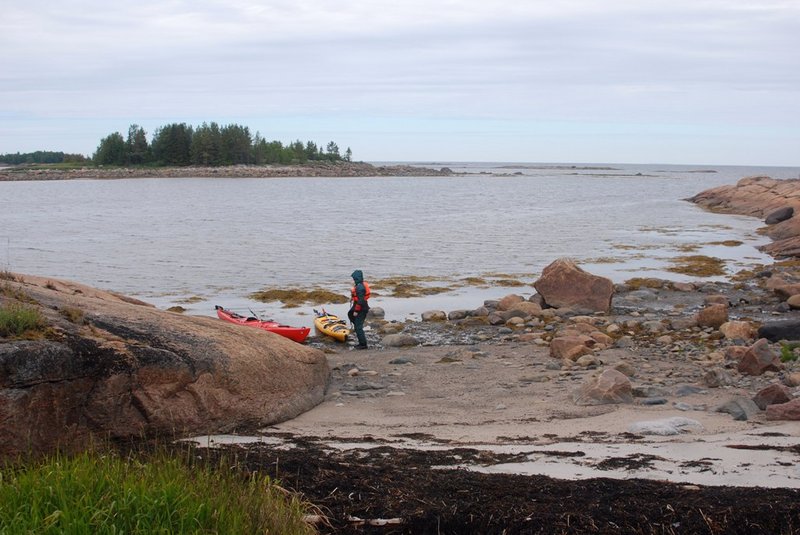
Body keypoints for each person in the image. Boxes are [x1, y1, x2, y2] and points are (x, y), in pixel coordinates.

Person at [347, 269, 370, 349]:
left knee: (358, 327)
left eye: (353, 279)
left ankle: (363, 344)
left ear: (357, 279)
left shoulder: (360, 287)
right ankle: (358, 327)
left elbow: (360, 301)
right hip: (359, 306)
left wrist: (356, 311)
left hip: (361, 308)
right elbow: (358, 298)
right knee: (350, 314)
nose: (352, 280)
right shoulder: (359, 285)